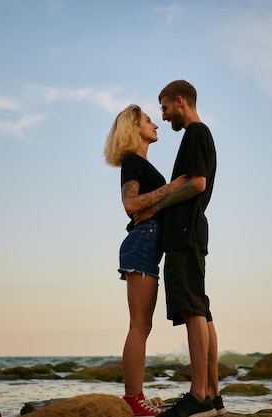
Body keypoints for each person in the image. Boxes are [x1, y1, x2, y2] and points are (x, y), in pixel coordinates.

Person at [134, 80, 225, 417]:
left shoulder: (196, 133)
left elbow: (197, 183)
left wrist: (155, 208)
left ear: (179, 100)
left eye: (164, 107)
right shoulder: (198, 134)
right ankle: (213, 397)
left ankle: (199, 395)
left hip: (185, 234)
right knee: (200, 309)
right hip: (191, 234)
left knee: (192, 311)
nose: (163, 115)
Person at [104, 104, 188, 416]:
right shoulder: (132, 162)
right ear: (133, 128)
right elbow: (129, 204)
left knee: (143, 325)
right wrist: (173, 187)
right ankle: (133, 401)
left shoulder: (142, 163)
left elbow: (147, 203)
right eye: (148, 120)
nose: (156, 124)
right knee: (139, 325)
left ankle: (135, 398)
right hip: (142, 240)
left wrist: (158, 203)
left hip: (149, 241)